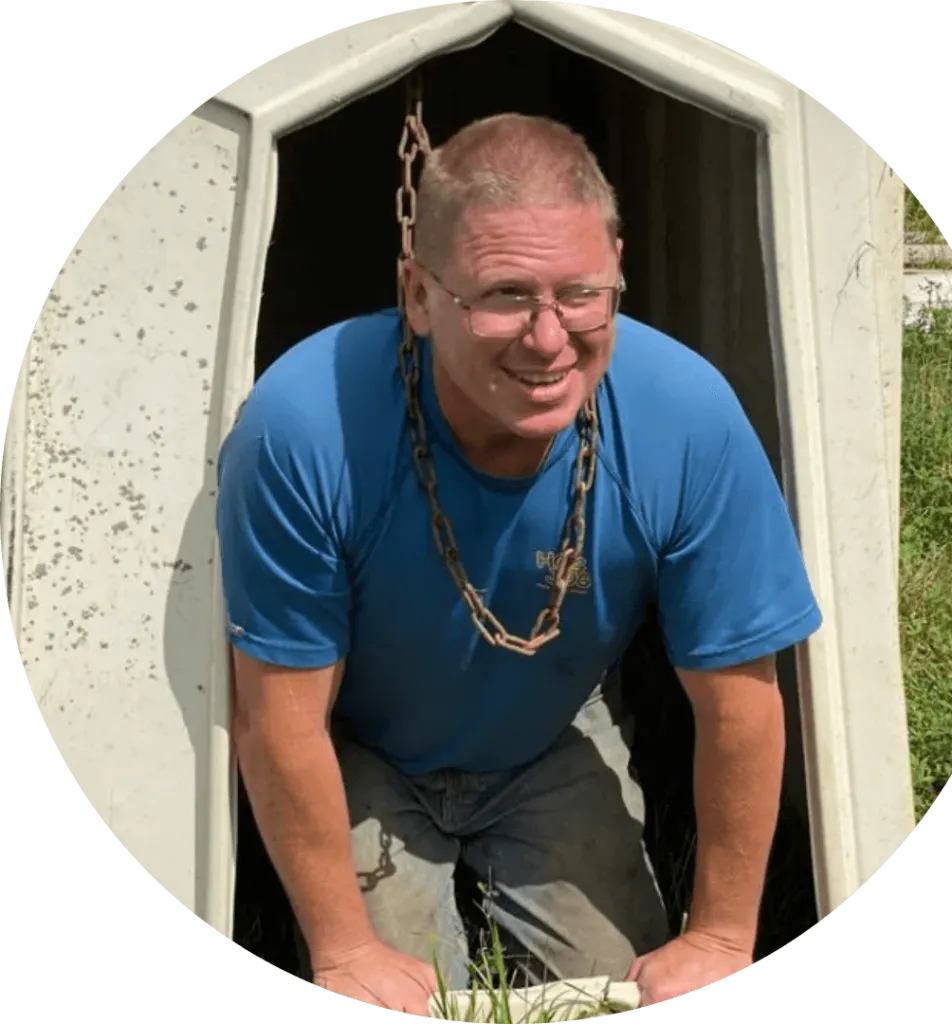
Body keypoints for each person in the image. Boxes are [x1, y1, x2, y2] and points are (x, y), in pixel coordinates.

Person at [216, 112, 822, 1014]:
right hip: (364, 747)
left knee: (620, 992)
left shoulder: (686, 418)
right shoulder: (306, 425)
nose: (548, 339)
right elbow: (278, 716)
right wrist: (342, 948)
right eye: (502, 295)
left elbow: (740, 693)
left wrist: (721, 937)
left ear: (618, 267)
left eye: (580, 293)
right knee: (400, 997)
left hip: (546, 732)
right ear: (418, 295)